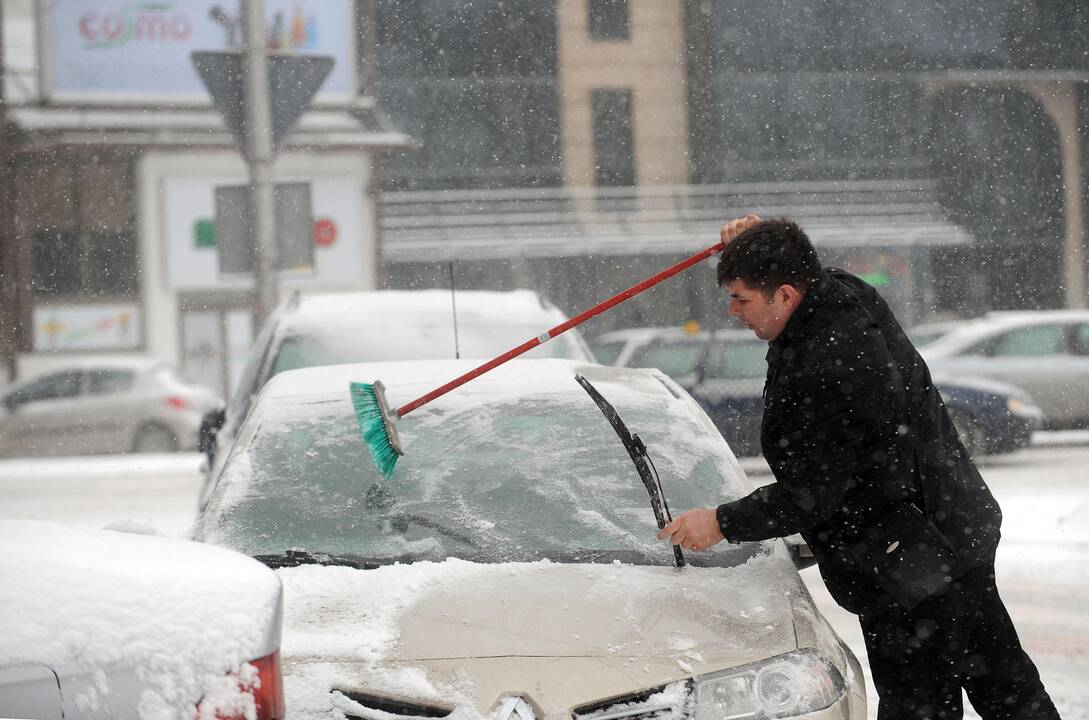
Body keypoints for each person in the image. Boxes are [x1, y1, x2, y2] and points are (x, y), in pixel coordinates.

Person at [658, 215, 1060, 720]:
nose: (733, 310)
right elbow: (801, 266)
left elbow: (813, 492)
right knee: (1002, 682)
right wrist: (759, 245)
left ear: (784, 295)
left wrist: (720, 522)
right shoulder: (839, 295)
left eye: (741, 298)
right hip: (944, 527)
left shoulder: (830, 361)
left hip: (912, 555)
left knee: (922, 702)